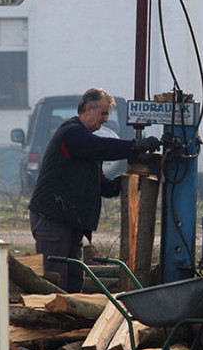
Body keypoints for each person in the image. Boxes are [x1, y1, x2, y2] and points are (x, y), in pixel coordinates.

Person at [28, 88, 160, 292]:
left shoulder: (85, 143)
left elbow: (103, 186)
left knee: (74, 279)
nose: (106, 120)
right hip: (52, 218)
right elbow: (101, 147)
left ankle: (72, 319)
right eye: (104, 113)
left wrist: (129, 181)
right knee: (54, 281)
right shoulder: (72, 134)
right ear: (88, 108)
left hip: (70, 220)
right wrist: (135, 146)